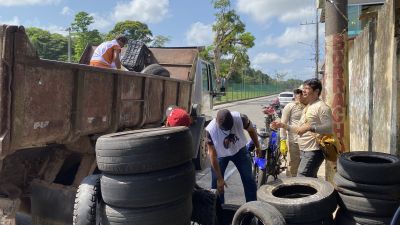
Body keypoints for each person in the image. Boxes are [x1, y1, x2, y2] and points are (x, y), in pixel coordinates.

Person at [272, 78, 333, 178]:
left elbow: (329, 128)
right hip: (303, 149)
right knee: (308, 178)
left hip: (314, 150)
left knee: (302, 176)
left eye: (307, 88)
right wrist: (282, 126)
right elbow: (299, 130)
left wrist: (311, 127)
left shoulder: (322, 107)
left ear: (316, 91)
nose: (303, 91)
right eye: (302, 88)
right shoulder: (308, 106)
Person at [206, 109, 261, 203]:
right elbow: (212, 155)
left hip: (240, 150)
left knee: (249, 179)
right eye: (225, 128)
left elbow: (251, 130)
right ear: (217, 122)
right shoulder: (210, 130)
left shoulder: (241, 118)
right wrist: (220, 178)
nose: (227, 130)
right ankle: (218, 211)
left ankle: (252, 206)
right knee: (216, 184)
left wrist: (257, 146)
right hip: (220, 155)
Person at [279, 87, 306, 177]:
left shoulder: (310, 106)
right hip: (294, 142)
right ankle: (291, 187)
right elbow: (283, 124)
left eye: (301, 93)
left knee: (306, 169)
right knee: (293, 167)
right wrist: (282, 140)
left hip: (308, 143)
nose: (299, 95)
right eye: (297, 93)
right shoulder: (290, 106)